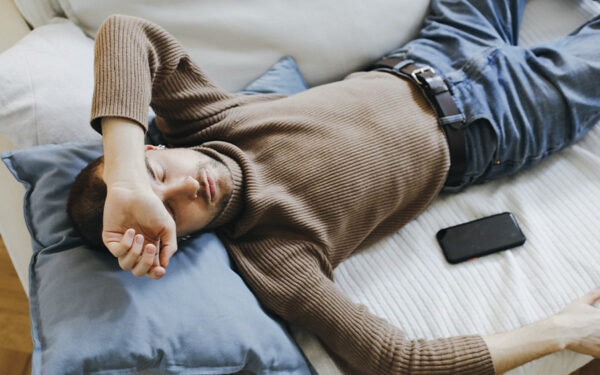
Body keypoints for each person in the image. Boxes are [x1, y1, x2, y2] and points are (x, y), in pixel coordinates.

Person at [67, 1, 600, 374]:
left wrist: (127, 177)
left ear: (152, 149)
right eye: (170, 211)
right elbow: (396, 361)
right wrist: (559, 331)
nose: (187, 187)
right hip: (503, 122)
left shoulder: (204, 122)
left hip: (436, 50)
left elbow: (125, 31)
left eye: (159, 174)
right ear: (172, 241)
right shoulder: (273, 255)